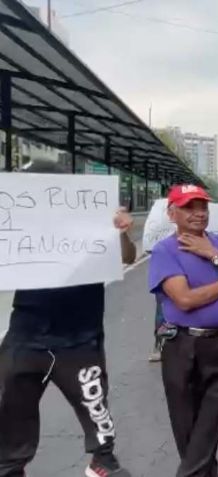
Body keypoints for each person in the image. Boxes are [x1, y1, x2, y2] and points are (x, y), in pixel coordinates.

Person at [0, 162, 137, 477]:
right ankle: (10, 467)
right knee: (11, 414)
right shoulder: (17, 221)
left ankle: (102, 464)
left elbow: (128, 257)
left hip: (79, 340)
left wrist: (121, 232)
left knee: (97, 415)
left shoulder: (94, 218)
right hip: (25, 337)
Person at [148, 184, 218, 477]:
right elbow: (184, 300)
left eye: (202, 207)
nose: (198, 213)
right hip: (183, 347)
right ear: (172, 214)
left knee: (210, 425)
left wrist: (214, 256)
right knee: (187, 428)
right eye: (188, 207)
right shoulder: (164, 251)